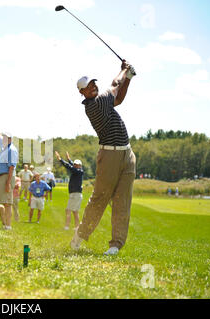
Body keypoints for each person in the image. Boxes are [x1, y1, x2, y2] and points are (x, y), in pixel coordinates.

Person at [70, 60, 136, 256]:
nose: (93, 87)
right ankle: (80, 235)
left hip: (127, 153)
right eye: (88, 87)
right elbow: (115, 86)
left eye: (93, 84)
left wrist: (129, 78)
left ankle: (115, 245)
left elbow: (119, 99)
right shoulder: (94, 104)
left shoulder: (104, 101)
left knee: (122, 201)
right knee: (100, 198)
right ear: (82, 93)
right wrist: (124, 69)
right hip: (109, 155)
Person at [55, 151, 84, 231]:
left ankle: (67, 227)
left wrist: (60, 159)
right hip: (76, 194)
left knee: (68, 210)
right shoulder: (78, 170)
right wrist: (69, 159)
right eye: (74, 164)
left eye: (76, 164)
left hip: (75, 194)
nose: (74, 165)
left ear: (79, 166)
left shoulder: (78, 171)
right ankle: (77, 227)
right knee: (75, 211)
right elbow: (71, 165)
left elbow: (69, 167)